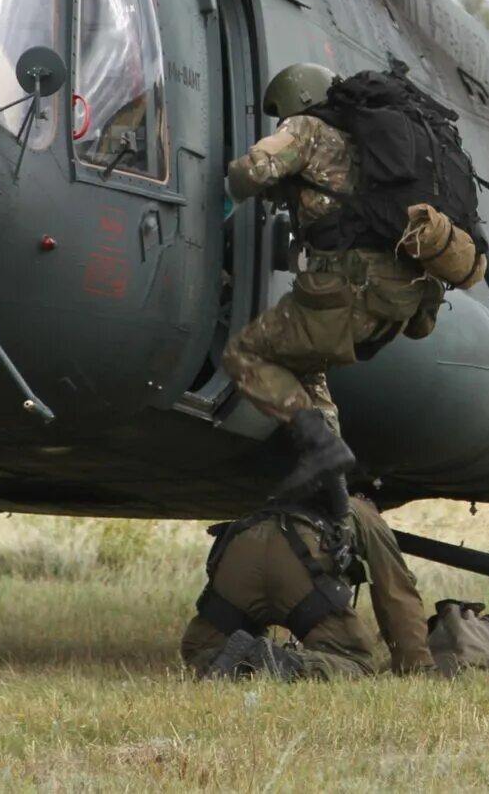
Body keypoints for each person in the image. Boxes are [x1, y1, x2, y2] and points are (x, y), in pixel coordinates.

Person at [221, 63, 435, 499]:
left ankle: (321, 448)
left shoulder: (308, 129)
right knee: (308, 371)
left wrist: (227, 189)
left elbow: (252, 172)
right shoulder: (367, 145)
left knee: (245, 353)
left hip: (342, 291)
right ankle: (334, 502)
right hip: (394, 300)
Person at [181, 486, 438, 680]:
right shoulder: (364, 514)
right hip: (298, 566)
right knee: (356, 663)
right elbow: (395, 593)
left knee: (202, 650)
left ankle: (240, 660)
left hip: (242, 551)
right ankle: (277, 662)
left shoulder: (281, 495)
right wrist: (416, 666)